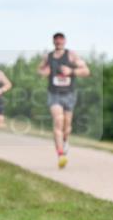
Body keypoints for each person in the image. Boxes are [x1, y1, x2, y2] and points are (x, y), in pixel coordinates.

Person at [37, 33, 90, 168]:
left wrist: (71, 71)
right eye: (56, 39)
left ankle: (65, 140)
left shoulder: (71, 55)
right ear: (53, 41)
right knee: (58, 122)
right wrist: (44, 72)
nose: (59, 41)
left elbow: (86, 71)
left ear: (65, 41)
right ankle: (60, 155)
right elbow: (39, 70)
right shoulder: (48, 57)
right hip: (54, 94)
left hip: (69, 95)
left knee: (66, 127)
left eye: (61, 39)